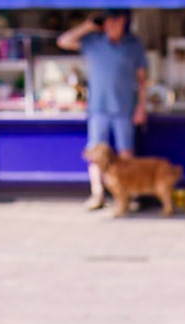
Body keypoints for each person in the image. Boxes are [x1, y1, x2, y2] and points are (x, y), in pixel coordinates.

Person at [59, 11, 150, 211]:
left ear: (123, 22)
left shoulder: (133, 46)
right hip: (98, 108)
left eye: (115, 21)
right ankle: (97, 194)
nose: (111, 25)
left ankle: (128, 194)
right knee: (95, 153)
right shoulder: (93, 43)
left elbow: (142, 79)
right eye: (108, 21)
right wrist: (88, 26)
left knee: (126, 153)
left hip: (124, 107)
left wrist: (141, 107)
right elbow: (64, 41)